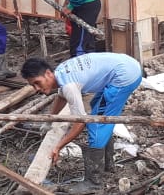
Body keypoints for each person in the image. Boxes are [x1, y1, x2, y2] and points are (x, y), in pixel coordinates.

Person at [20, 54, 143, 192]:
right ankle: (108, 165)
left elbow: (80, 122)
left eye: (37, 82)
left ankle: (93, 183)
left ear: (48, 74)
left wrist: (58, 146)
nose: (36, 89)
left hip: (125, 76)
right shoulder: (60, 72)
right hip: (126, 65)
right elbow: (61, 97)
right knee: (97, 105)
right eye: (32, 85)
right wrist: (49, 121)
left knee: (97, 124)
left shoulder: (69, 86)